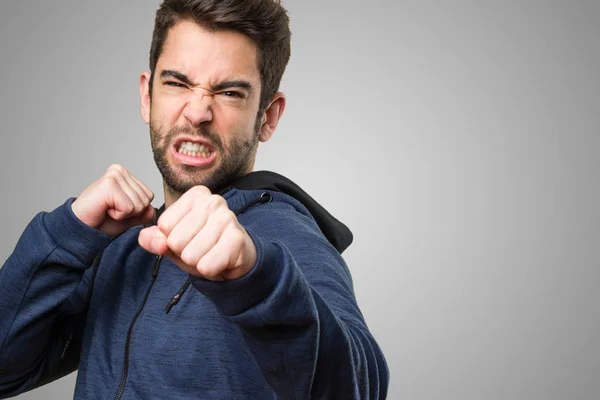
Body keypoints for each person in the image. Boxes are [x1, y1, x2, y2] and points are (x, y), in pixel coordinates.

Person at [0, 0, 389, 399]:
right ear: (147, 96)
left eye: (230, 92)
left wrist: (255, 278)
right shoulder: (123, 247)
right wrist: (68, 235)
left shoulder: (283, 238)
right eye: (178, 83)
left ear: (267, 117)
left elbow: (361, 389)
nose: (198, 111)